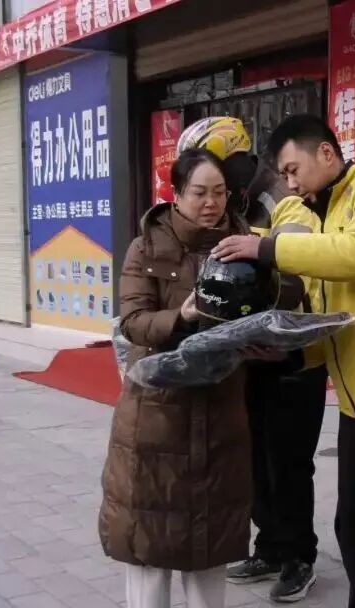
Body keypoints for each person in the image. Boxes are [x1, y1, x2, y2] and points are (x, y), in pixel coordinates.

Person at [210, 114, 355, 608]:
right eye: (284, 174)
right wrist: (287, 350)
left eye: (293, 170)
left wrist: (267, 247)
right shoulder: (321, 217)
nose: (291, 183)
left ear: (325, 153)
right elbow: (328, 313)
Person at [99, 149, 276, 608]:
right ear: (176, 194)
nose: (211, 203)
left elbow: (275, 298)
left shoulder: (245, 242)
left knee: (208, 544)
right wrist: (182, 315)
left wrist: (264, 338)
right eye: (199, 193)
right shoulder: (146, 246)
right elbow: (133, 322)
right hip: (157, 414)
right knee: (150, 543)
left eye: (219, 192)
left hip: (221, 412)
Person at [177, 116, 328, 602]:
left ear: (236, 162)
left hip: (293, 356)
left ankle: (299, 557)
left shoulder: (284, 201)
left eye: (215, 170)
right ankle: (270, 545)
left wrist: (260, 254)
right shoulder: (234, 204)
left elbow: (299, 266)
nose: (210, 188)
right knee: (254, 459)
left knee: (289, 463)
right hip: (250, 355)